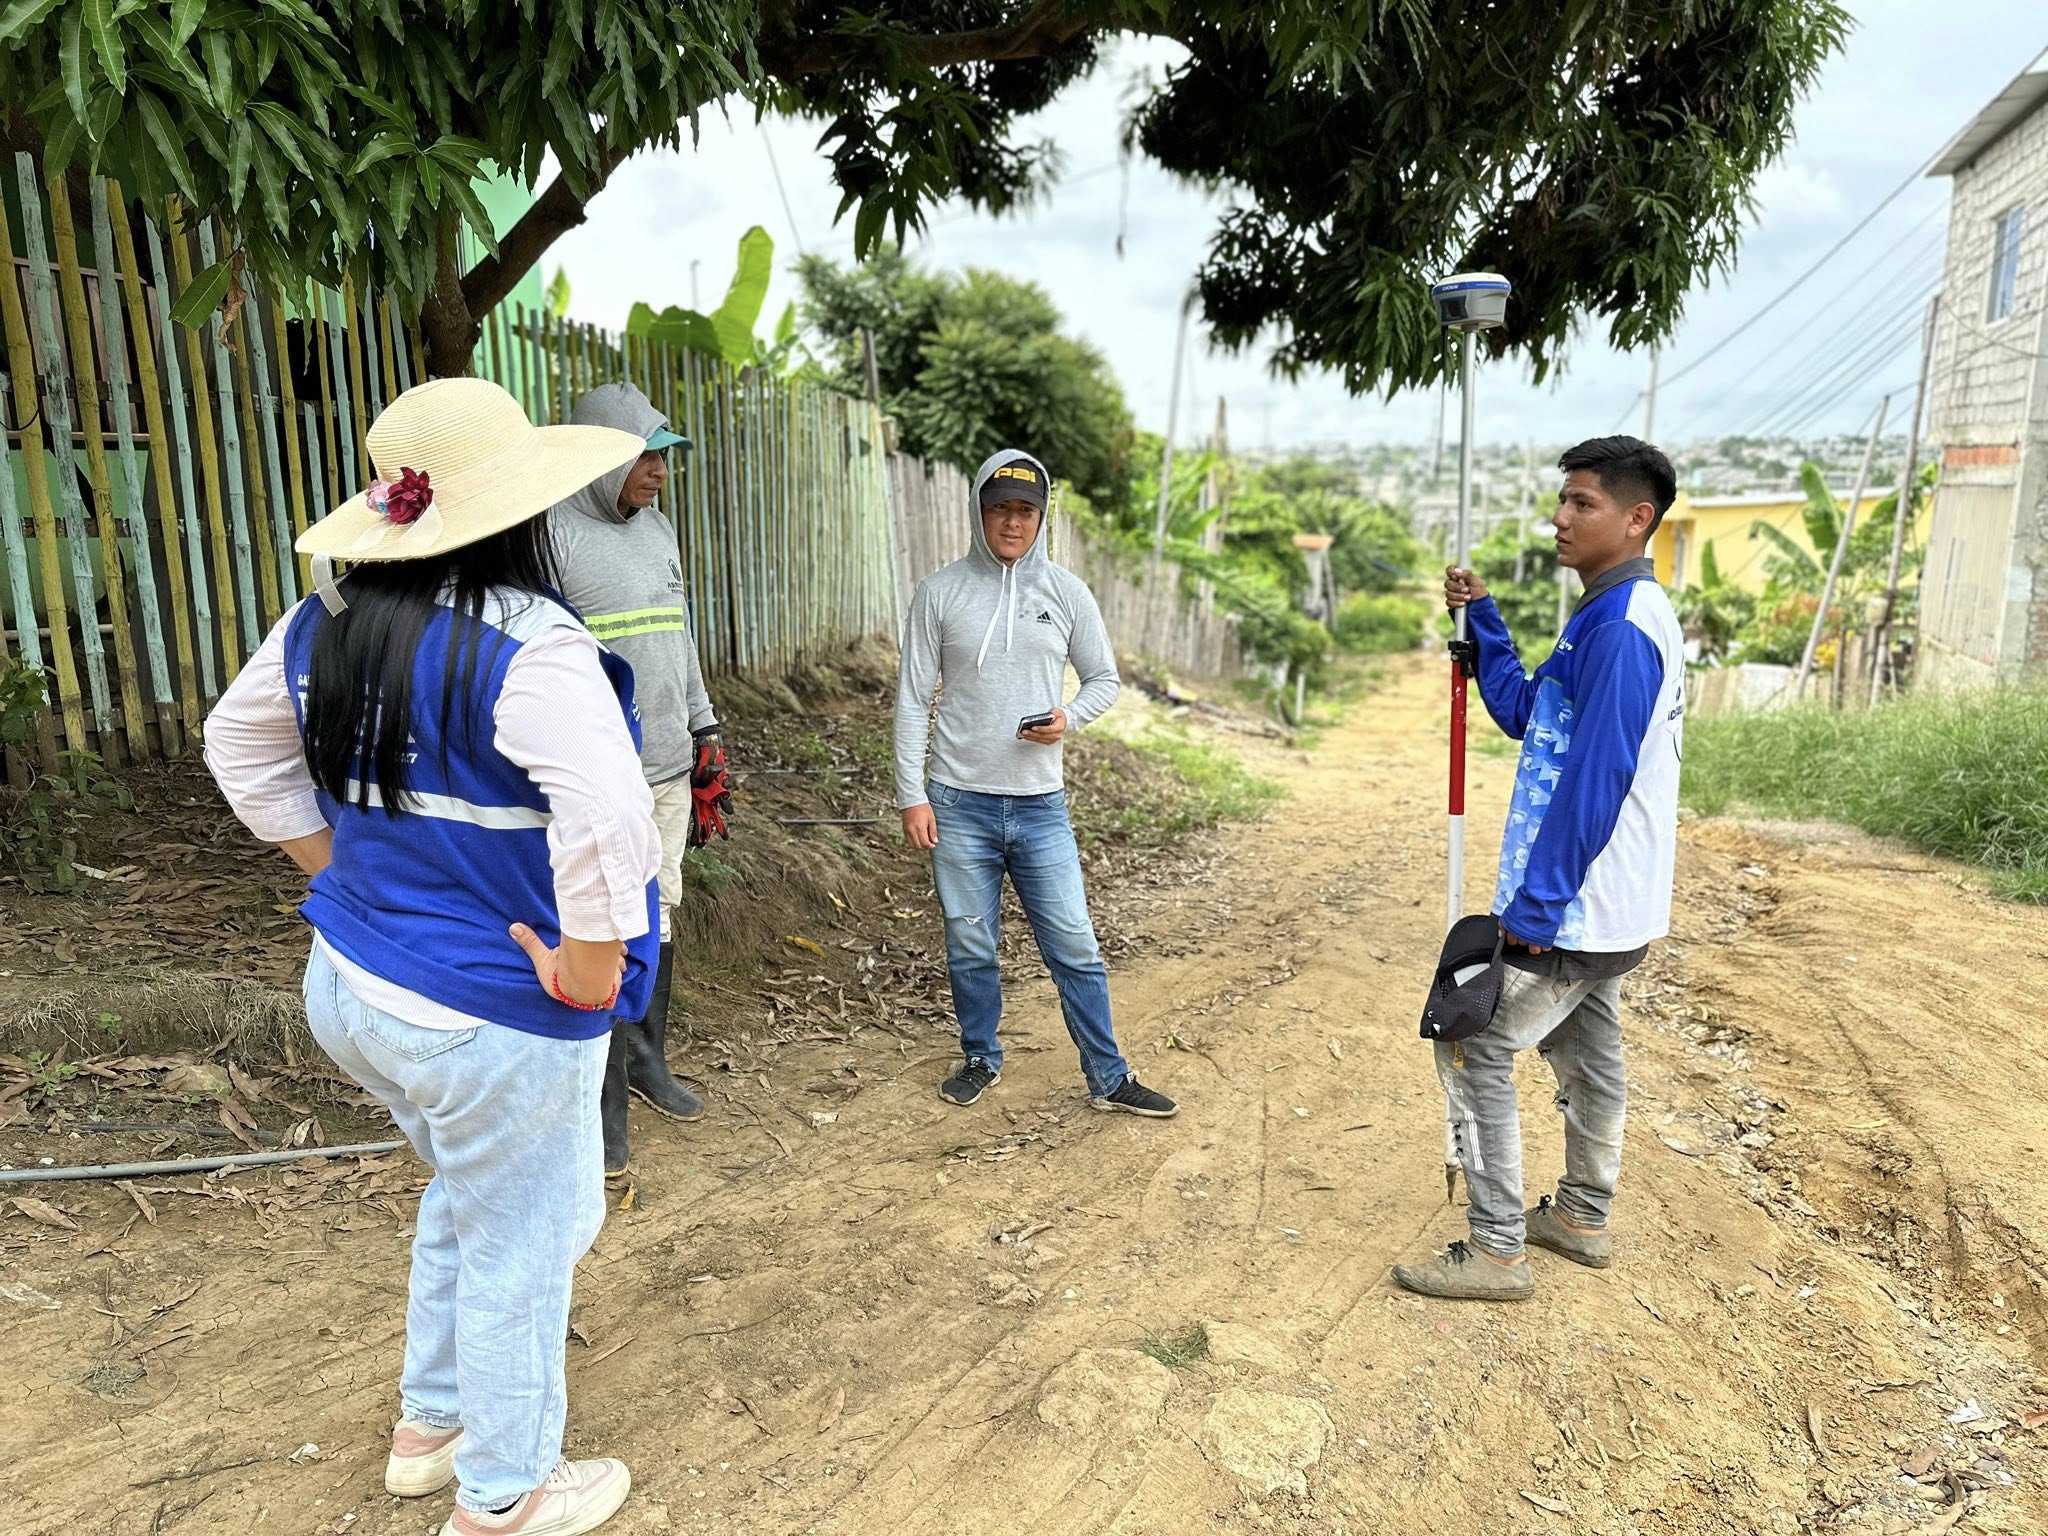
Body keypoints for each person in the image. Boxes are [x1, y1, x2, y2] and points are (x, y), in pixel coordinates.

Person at [205, 377, 660, 1533]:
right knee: (528, 1238)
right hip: (486, 1014)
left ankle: (433, 1423)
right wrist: (596, 968)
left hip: (354, 989)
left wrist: (340, 872)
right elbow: (610, 816)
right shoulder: (532, 644)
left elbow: (235, 745)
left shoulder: (325, 622)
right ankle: (504, 1496)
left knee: (472, 1190)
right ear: (520, 509)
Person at [1393, 435, 1685, 1302]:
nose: (1560, 517)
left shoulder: (1622, 630)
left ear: (1636, 519)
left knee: (1472, 1041)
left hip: (1580, 901)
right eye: (1563, 499)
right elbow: (1528, 713)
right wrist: (1483, 619)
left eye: (1582, 503)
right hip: (1612, 903)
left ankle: (1497, 1251)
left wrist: (1539, 902)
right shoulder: (1608, 613)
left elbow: (1597, 778)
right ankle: (1583, 1216)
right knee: (1588, 1047)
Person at [894, 448, 1178, 1118]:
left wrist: (1067, 718)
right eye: (1000, 508)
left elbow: (1104, 679)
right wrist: (912, 794)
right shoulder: (940, 593)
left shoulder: (1067, 592)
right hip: (958, 802)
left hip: (1040, 807)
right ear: (979, 512)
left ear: (1042, 517)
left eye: (1026, 510)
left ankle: (1109, 1077)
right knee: (970, 943)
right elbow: (911, 698)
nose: (1013, 522)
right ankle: (980, 1057)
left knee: (1074, 943)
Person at [549, 382, 732, 1175]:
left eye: (664, 457)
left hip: (666, 768)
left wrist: (705, 728)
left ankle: (647, 1061)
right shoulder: (552, 539)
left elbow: (677, 637)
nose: (660, 472)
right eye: (646, 457)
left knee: (658, 914)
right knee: (604, 922)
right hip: (597, 777)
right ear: (601, 458)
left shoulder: (657, 529)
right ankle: (602, 1100)